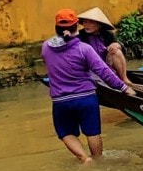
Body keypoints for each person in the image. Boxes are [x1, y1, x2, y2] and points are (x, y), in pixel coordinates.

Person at [43, 8, 133, 163]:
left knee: (66, 133)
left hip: (61, 101)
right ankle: (98, 160)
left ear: (56, 28)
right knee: (93, 133)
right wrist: (124, 88)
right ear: (76, 26)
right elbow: (104, 72)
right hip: (86, 98)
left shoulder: (45, 47)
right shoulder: (84, 48)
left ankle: (85, 159)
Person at [77, 7, 129, 85]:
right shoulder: (80, 36)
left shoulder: (107, 34)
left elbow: (123, 49)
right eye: (85, 22)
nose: (86, 25)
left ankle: (124, 79)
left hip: (107, 65)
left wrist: (117, 45)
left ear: (99, 24)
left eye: (91, 22)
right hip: (90, 68)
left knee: (117, 51)